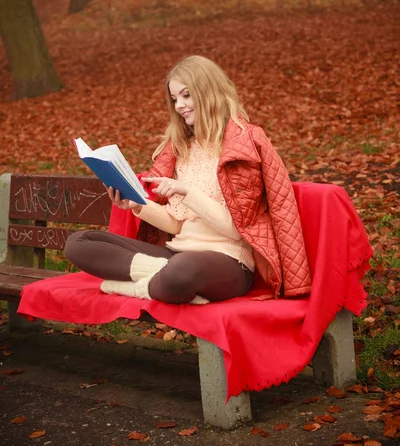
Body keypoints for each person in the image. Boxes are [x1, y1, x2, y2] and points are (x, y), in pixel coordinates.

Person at [65, 55, 312, 304]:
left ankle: (141, 287)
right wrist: (138, 206)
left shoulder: (244, 143)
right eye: (174, 99)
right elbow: (176, 226)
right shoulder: (182, 148)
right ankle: (164, 279)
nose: (179, 105)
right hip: (175, 254)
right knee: (79, 243)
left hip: (227, 261)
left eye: (186, 95)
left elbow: (237, 231)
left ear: (208, 92)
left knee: (183, 270)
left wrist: (187, 191)